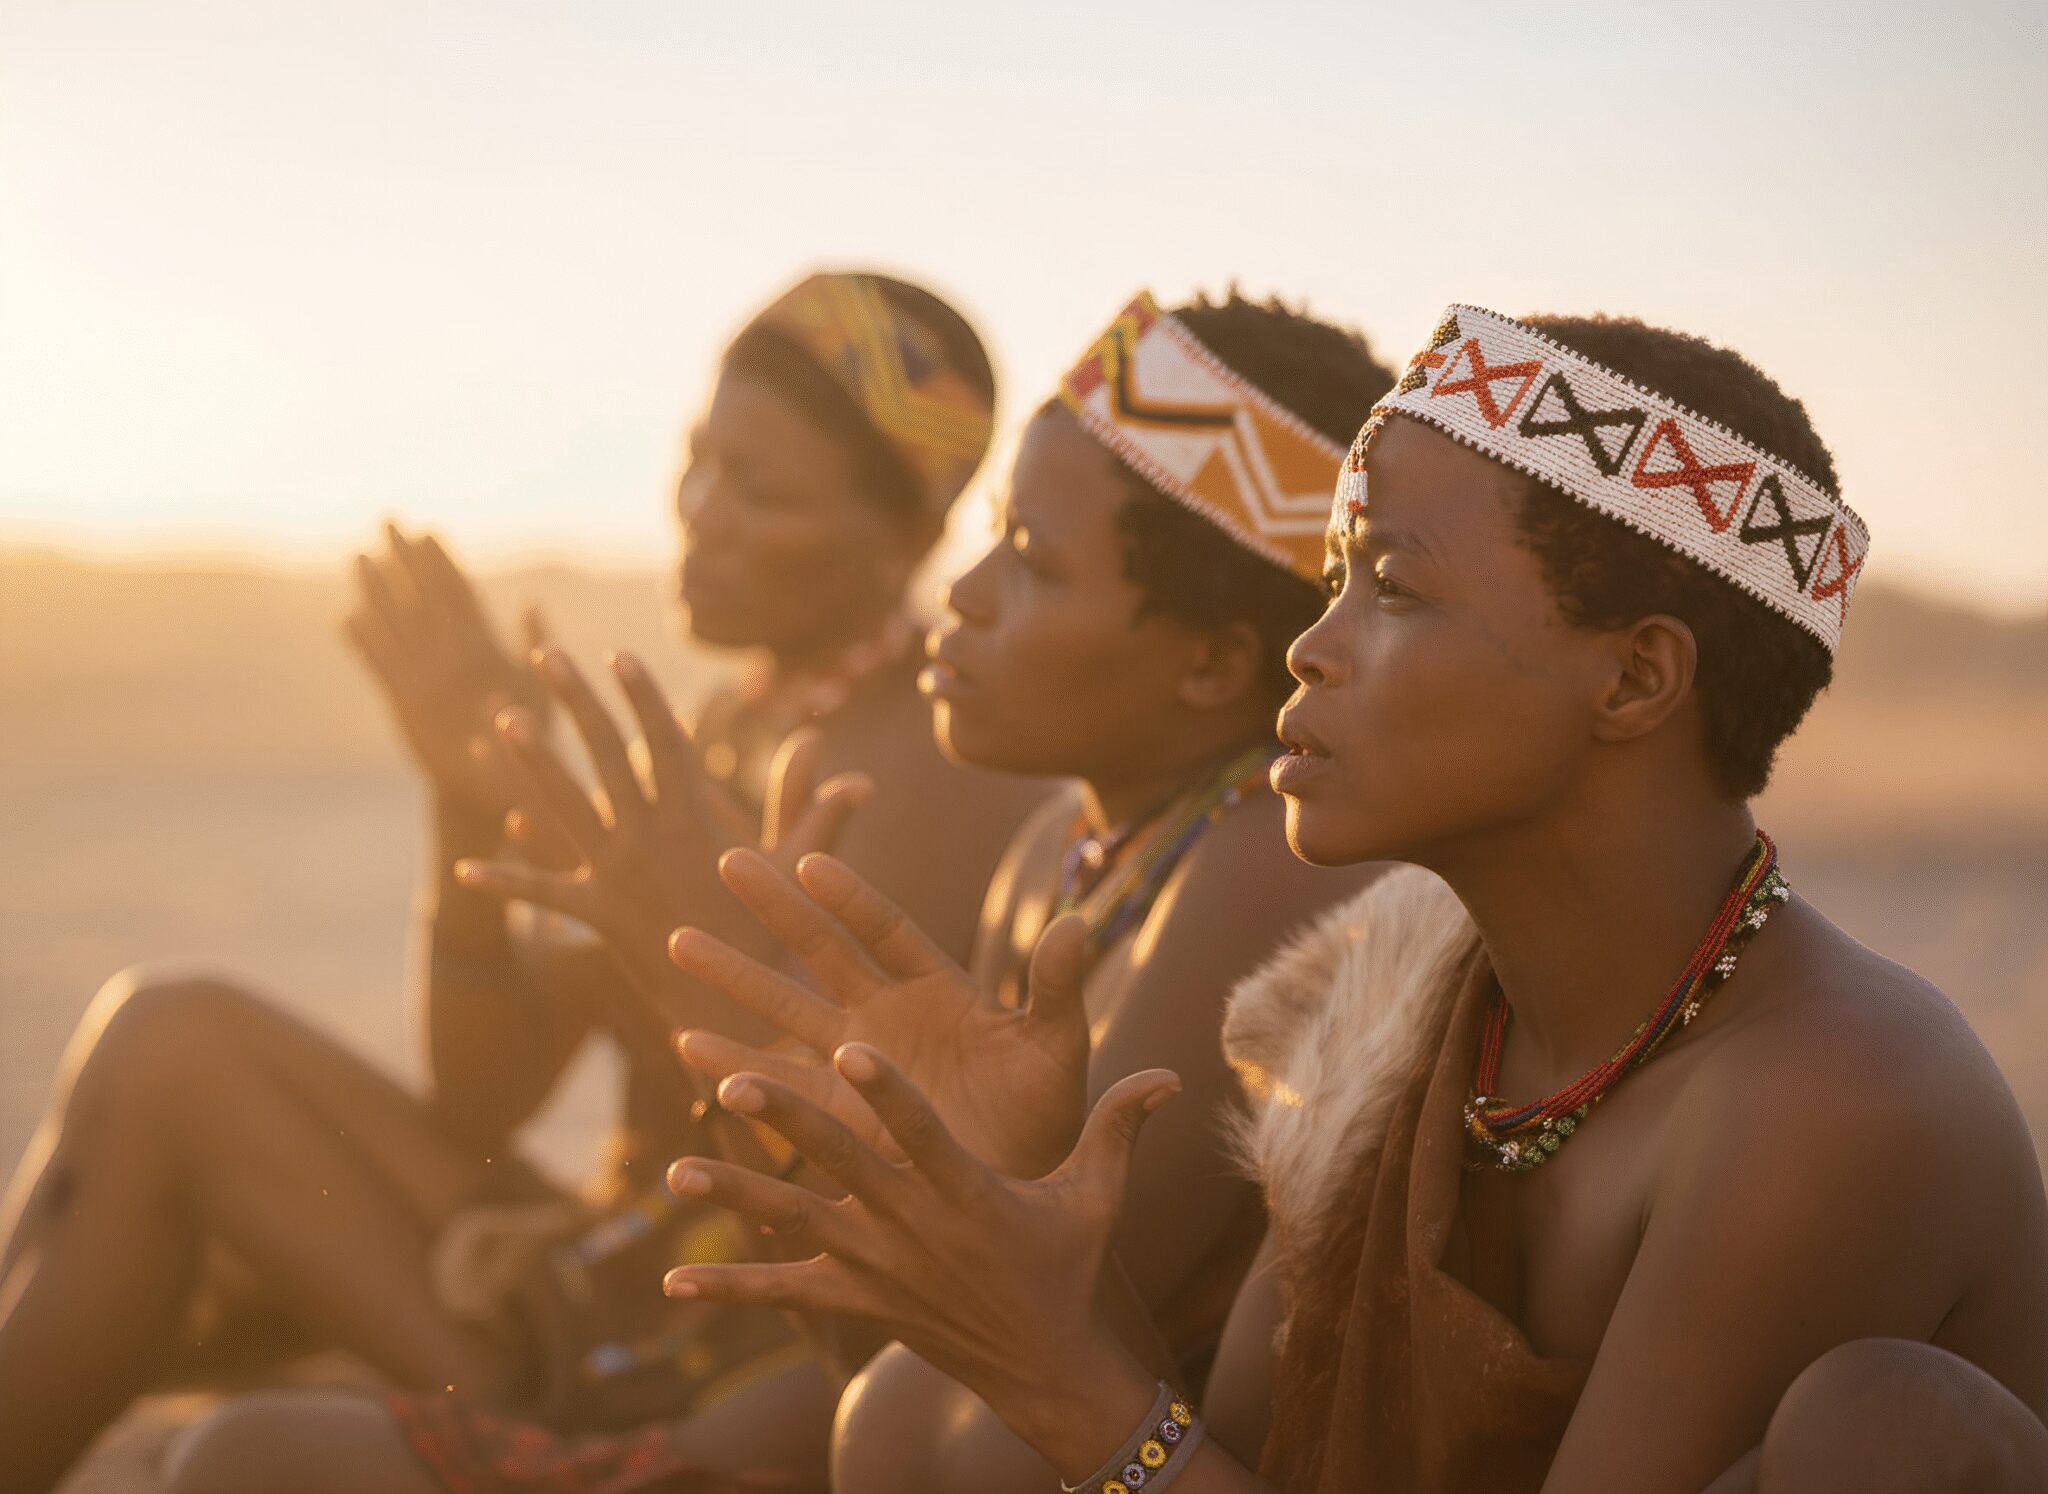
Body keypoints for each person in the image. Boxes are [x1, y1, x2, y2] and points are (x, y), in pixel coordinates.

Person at [652, 306, 2048, 1492]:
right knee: (899, 1412)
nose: (1311, 649)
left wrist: (1067, 1373)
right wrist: (1010, 1228)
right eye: (1330, 581)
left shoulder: (1833, 1098)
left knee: (1883, 1420)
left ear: (1633, 679)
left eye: (1393, 586)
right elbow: (1234, 1457)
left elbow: (1129, 1439)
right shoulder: (1382, 1001)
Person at [163, 288, 1397, 1493]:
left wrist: (710, 982)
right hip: (817, 1386)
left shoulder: (1246, 877)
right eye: (991, 546)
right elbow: (920, 1344)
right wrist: (482, 804)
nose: (961, 599)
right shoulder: (1071, 854)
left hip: (829, 1404)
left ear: (1212, 663)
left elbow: (994, 1362)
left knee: (238, 1441)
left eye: (1026, 561)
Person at [0, 270, 1043, 1494]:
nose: (699, 510)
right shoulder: (727, 723)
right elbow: (485, 1089)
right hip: (599, 1273)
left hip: (719, 1353)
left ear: (909, 533)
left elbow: (866, 1198)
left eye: (757, 490)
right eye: (696, 460)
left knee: (173, 1101)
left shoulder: (912, 767)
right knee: (169, 1035)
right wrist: (469, 789)